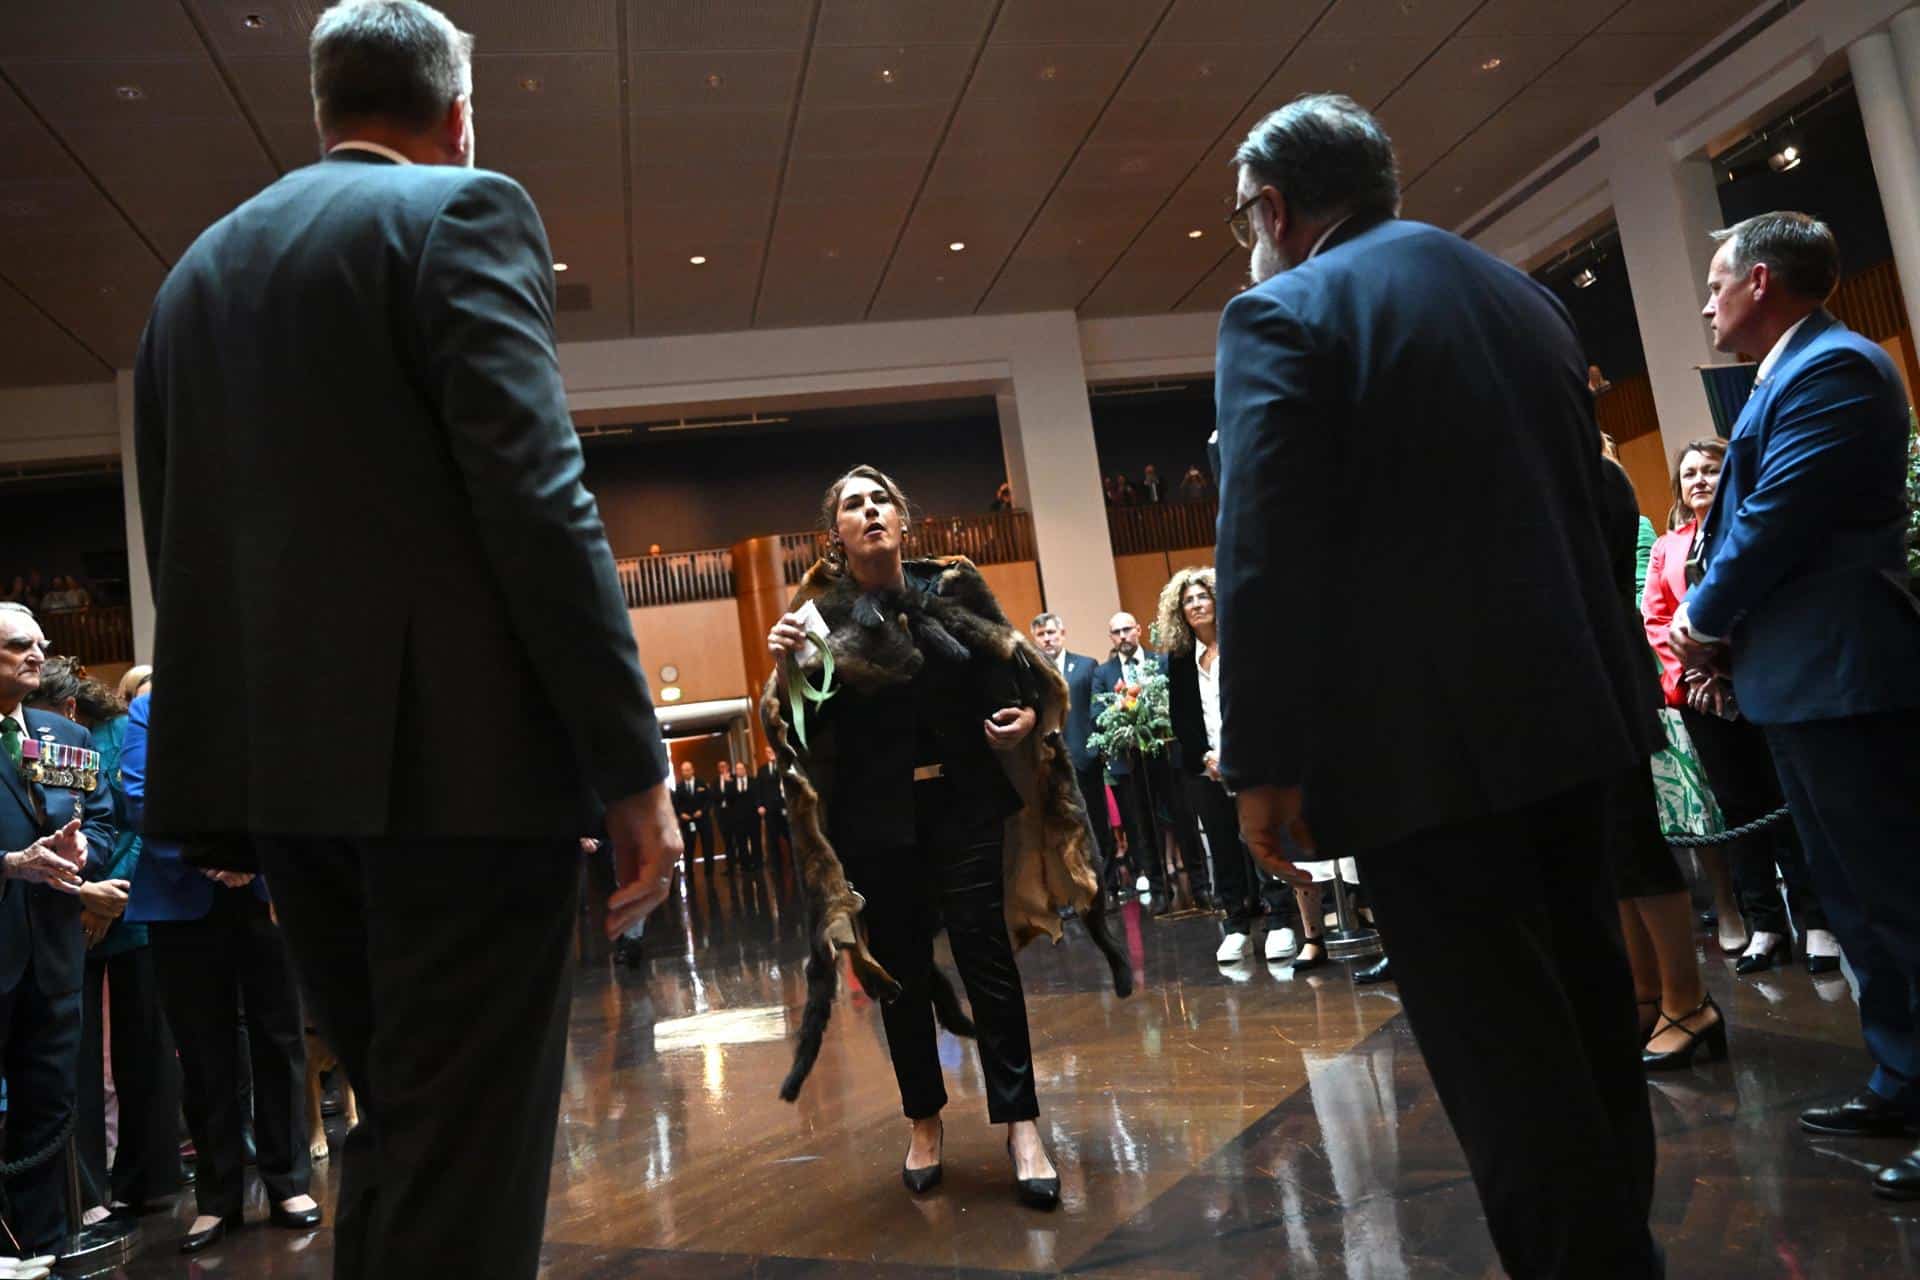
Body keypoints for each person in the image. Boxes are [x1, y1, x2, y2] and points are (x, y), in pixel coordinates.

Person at [129, 4, 682, 1275]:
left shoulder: (192, 278)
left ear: (323, 111)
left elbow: (185, 546)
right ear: (459, 115)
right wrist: (628, 759)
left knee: (398, 1132)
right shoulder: (461, 211)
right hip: (465, 785)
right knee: (469, 1161)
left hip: (289, 797)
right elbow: (540, 499)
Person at [1214, 95, 1663, 1276]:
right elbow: (1600, 502)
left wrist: (1262, 760)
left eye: (1244, 217)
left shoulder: (1282, 311)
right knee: (1588, 1011)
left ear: (1274, 208)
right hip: (1578, 721)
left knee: (1503, 1056)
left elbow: (1265, 551)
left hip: (1426, 761)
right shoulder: (1519, 294)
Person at [763, 465, 1128, 1209]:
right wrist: (789, 667)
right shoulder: (823, 616)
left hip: (962, 803)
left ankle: (1022, 1123)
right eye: (852, 506)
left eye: (880, 501)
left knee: (985, 961)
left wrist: (1023, 717)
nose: (869, 512)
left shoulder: (953, 591)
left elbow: (1010, 680)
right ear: (835, 533)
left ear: (903, 520)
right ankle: (924, 1120)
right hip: (875, 820)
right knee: (898, 974)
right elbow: (810, 729)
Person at [1671, 211, 1920, 1200]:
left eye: (1716, 280)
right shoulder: (1791, 369)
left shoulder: (1835, 368)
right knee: (1855, 897)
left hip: (1846, 669)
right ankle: (1901, 1074)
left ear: (1760, 280)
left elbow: (1777, 517)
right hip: (1802, 675)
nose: (1706, 300)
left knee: (1899, 894)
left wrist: (1702, 613)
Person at [120, 689, 318, 1253]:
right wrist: (211, 854)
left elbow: (298, 791)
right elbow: (139, 796)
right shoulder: (154, 705)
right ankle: (216, 1198)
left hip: (267, 891)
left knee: (280, 1039)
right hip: (182, 892)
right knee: (202, 1052)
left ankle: (288, 1183)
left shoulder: (275, 695)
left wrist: (248, 856)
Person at [1644, 437, 1836, 974]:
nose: (1700, 479)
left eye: (1710, 470)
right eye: (1689, 474)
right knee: (1738, 809)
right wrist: (1693, 667)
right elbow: (1656, 618)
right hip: (1700, 695)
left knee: (1783, 802)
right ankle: (1766, 925)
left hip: (1757, 679)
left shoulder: (1745, 533)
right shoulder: (1667, 546)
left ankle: (1818, 921)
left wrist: (1727, 657)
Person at [23, 661, 184, 1224]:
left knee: (147, 1051)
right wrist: (84, 894)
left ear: (70, 709)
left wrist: (109, 898)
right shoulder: (37, 743)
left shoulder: (114, 733)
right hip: (71, 906)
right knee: (78, 1060)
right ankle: (89, 1191)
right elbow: (57, 826)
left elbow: (132, 824)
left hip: (130, 905)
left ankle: (152, 1179)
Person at [1591, 455, 1726, 1071]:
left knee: (1637, 847)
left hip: (1605, 677)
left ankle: (1688, 1000)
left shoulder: (1598, 475)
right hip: (1576, 684)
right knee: (1611, 855)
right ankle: (1646, 993)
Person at [0, 603, 114, 1257]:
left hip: (52, 954)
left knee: (47, 1109)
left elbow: (99, 822)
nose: (38, 654)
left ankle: (43, 1252)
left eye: (41, 643)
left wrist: (83, 856)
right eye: (20, 645)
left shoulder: (60, 735)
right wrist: (11, 864)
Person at [1158, 568, 1298, 964]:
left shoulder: (1241, 645)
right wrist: (1206, 756)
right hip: (1206, 769)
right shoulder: (1182, 659)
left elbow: (1259, 703)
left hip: (1252, 764)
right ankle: (1236, 923)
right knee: (1221, 846)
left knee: (1263, 840)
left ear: (1217, 602)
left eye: (1202, 597)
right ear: (1180, 613)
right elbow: (1182, 717)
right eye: (1188, 601)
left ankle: (1280, 919)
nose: (1196, 604)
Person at [1028, 613, 1113, 887]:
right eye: (1041, 635)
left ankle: (1108, 883)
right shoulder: (1030, 673)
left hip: (1085, 759)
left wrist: (1096, 751)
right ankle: (1071, 888)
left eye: (1051, 632)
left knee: (1097, 823)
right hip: (1050, 763)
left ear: (1062, 633)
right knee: (1061, 828)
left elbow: (1098, 712)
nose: (1048, 639)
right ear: (1035, 639)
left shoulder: (1087, 666)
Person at [1093, 613, 1171, 907]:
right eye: (1116, 632)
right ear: (1111, 638)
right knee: (1140, 828)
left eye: (1127, 629)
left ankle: (1199, 883)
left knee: (1179, 820)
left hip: (1164, 757)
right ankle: (1159, 887)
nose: (1123, 635)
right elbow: (1095, 716)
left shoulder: (1159, 662)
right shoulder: (1103, 674)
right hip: (1128, 764)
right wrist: (1118, 711)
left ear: (1138, 630)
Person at [753, 746, 789, 869]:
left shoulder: (784, 768)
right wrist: (760, 805)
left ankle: (795, 863)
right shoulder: (762, 770)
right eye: (768, 752)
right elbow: (758, 790)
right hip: (769, 810)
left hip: (784, 809)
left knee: (789, 836)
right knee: (772, 839)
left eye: (772, 751)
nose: (771, 754)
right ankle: (776, 866)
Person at [672, 759, 710, 873]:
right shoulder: (679, 787)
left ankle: (709, 871)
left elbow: (708, 800)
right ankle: (689, 873)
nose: (686, 772)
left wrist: (702, 811)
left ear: (692, 770)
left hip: (702, 820)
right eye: (683, 770)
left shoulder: (701, 783)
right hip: (687, 822)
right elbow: (676, 804)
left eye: (688, 770)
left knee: (707, 846)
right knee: (689, 848)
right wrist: (681, 814)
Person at [725, 760, 762, 871]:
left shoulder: (754, 781)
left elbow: (758, 796)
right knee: (741, 842)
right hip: (738, 819)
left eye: (741, 768)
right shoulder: (731, 784)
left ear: (745, 769)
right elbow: (728, 800)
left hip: (753, 817)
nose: (739, 771)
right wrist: (728, 784)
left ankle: (758, 864)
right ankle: (745, 865)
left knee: (755, 841)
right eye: (737, 769)